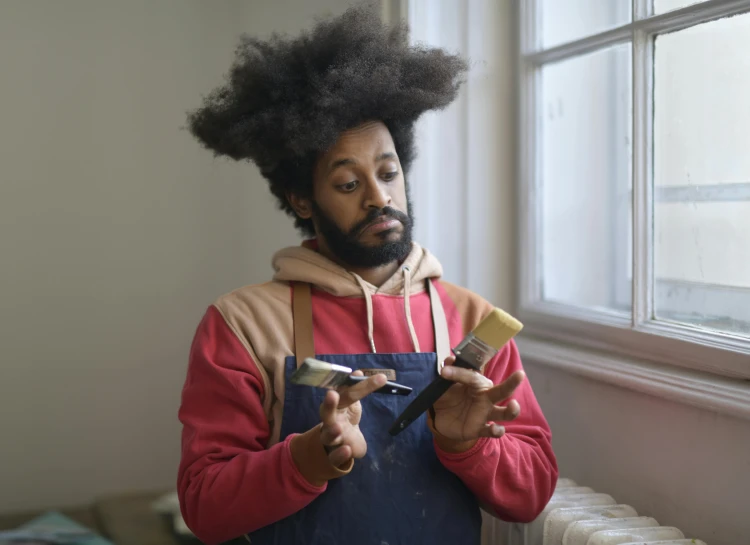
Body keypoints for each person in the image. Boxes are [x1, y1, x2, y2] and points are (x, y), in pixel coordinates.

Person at [177, 4, 558, 545]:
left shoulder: (472, 321)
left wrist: (468, 446)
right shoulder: (241, 324)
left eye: (387, 172)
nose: (380, 197)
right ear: (302, 201)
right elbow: (204, 505)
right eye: (348, 184)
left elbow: (532, 496)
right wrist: (306, 460)